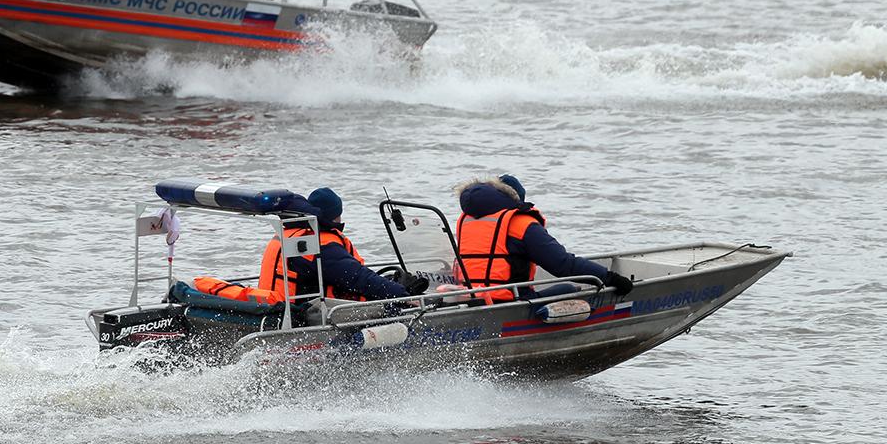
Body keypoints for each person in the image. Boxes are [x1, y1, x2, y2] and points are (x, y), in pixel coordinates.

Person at [455, 175, 634, 301]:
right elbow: (563, 265)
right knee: (570, 290)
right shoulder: (519, 223)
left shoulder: (467, 221)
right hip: (511, 302)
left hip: (472, 299)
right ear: (514, 199)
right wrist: (611, 278)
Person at [257, 188, 425, 303]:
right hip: (301, 316)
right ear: (335, 216)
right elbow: (357, 277)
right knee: (390, 304)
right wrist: (403, 295)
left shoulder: (291, 234)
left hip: (276, 305)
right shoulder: (321, 244)